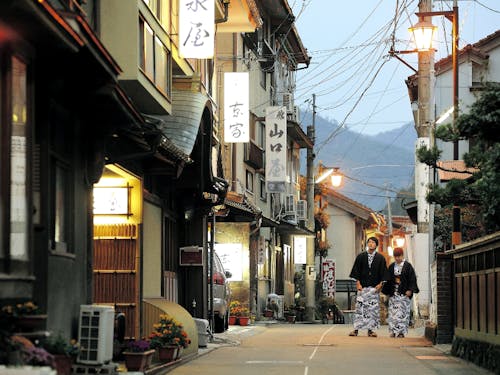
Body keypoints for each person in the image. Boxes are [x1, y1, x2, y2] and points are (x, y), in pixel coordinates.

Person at [348, 236, 388, 337]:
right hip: (363, 287)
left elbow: (384, 273)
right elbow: (356, 271)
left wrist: (380, 284)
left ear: (376, 245)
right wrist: (358, 283)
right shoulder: (361, 256)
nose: (371, 244)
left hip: (374, 288)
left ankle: (370, 330)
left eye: (373, 242)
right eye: (369, 242)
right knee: (359, 308)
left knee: (372, 309)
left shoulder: (380, 258)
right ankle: (356, 329)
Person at [382, 247, 419, 338]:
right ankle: (393, 331)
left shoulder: (408, 266)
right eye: (396, 257)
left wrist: (410, 289)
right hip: (394, 293)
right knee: (393, 313)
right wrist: (386, 290)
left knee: (403, 313)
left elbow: (412, 278)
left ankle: (401, 332)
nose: (397, 258)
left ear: (402, 255)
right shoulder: (391, 267)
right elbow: (387, 279)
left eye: (399, 256)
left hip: (404, 293)